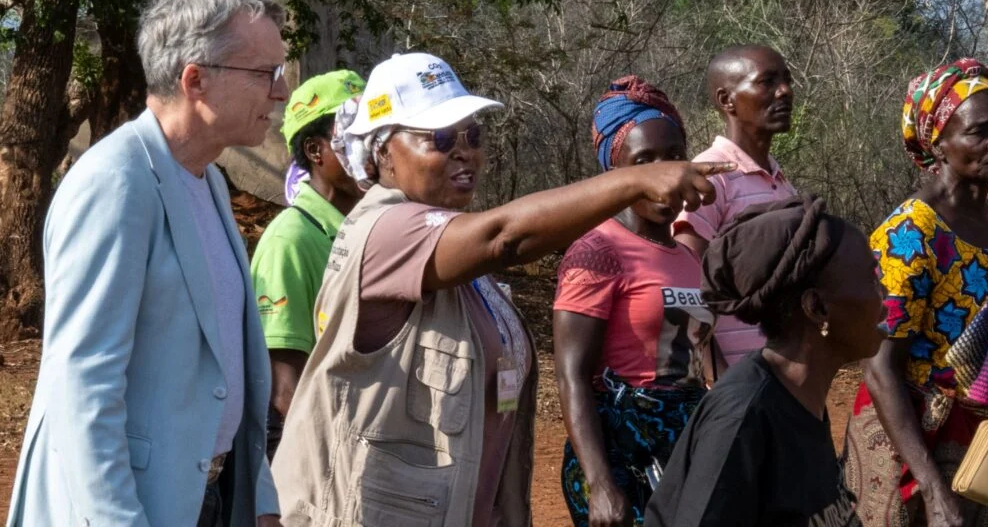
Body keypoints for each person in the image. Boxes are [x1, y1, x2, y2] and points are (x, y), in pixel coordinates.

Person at [270, 52, 735, 527]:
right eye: (441, 138)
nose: (464, 150)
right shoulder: (385, 229)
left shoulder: (462, 264)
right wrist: (633, 181)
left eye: (473, 135)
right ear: (382, 152)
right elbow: (505, 238)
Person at [6, 0, 287, 527]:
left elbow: (223, 364)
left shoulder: (204, 178)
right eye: (265, 73)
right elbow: (83, 385)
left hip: (205, 499)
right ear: (195, 80)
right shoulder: (115, 183)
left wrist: (259, 494)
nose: (280, 91)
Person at [842, 58, 988, 527]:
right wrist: (932, 488)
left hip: (980, 442)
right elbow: (879, 367)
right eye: (979, 131)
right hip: (914, 443)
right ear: (937, 143)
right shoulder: (910, 234)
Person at [646, 195, 883, 526]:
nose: (884, 294)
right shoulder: (743, 418)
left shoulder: (801, 396)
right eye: (872, 279)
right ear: (816, 308)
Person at [553, 76, 715, 527]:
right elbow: (571, 375)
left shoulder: (687, 256)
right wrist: (600, 483)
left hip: (683, 446)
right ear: (615, 174)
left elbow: (695, 357)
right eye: (644, 161)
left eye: (674, 156)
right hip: (624, 454)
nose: (663, 173)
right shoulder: (597, 251)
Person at [249, 69, 365, 461]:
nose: (372, 148)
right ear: (316, 152)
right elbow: (285, 389)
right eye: (353, 137)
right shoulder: (291, 240)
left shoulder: (369, 227)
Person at [673, 44, 798, 368]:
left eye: (786, 80)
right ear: (727, 100)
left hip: (787, 380)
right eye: (767, 82)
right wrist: (719, 378)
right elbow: (686, 284)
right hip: (741, 383)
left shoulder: (780, 182)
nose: (784, 91)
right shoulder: (711, 177)